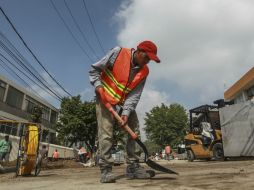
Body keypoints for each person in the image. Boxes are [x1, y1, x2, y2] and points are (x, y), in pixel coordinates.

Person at [89, 40, 160, 183]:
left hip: (123, 102)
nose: (147, 62)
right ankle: (106, 170)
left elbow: (134, 95)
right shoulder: (118, 53)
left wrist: (126, 113)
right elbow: (95, 70)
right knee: (106, 133)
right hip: (105, 98)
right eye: (146, 57)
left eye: (150, 60)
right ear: (139, 51)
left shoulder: (144, 71)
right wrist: (98, 86)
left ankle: (133, 167)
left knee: (133, 129)